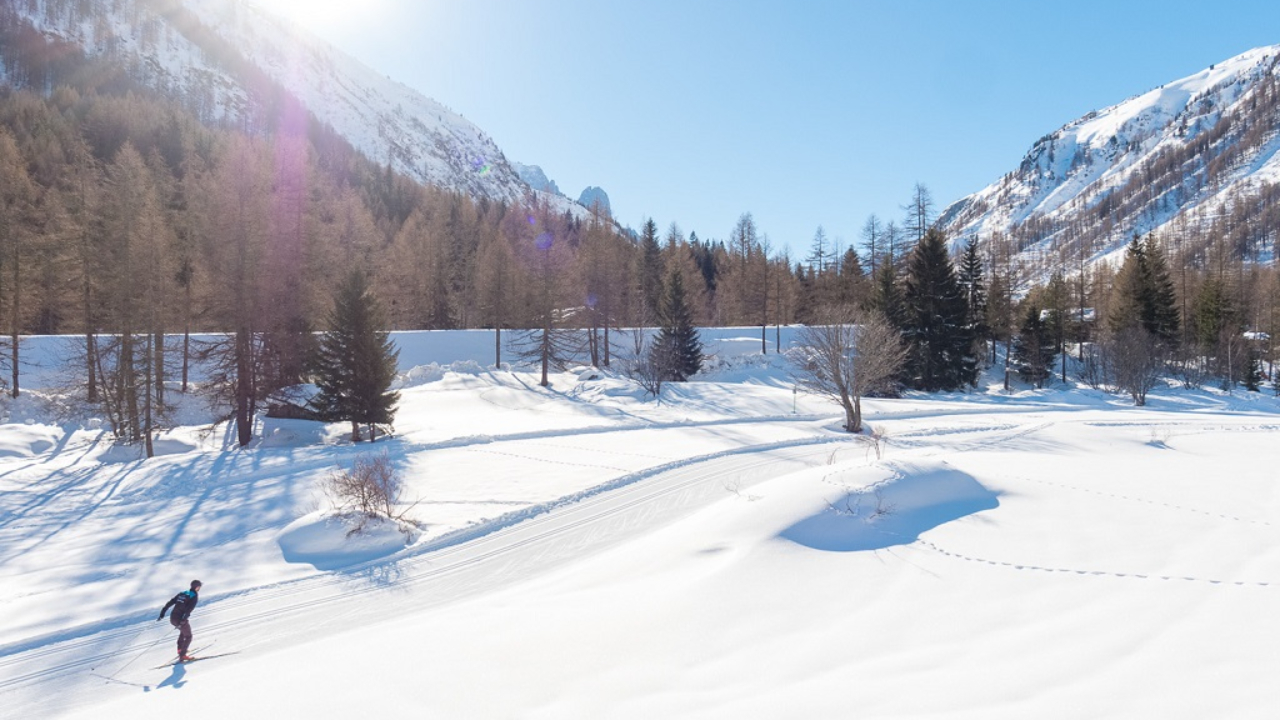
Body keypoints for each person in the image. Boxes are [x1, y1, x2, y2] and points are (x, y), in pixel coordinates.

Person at [158, 580, 202, 661]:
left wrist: (163, 612)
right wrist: (183, 620)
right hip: (180, 619)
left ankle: (180, 649)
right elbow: (189, 609)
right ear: (197, 587)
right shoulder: (194, 595)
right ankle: (183, 655)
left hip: (172, 618)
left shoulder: (183, 593)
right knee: (188, 636)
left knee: (183, 631)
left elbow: (170, 602)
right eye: (199, 587)